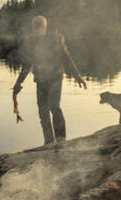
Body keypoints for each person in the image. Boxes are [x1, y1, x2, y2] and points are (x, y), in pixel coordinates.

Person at [13, 15, 87, 144]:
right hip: (40, 80)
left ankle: (61, 140)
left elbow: (66, 58)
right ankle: (49, 141)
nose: (37, 29)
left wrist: (77, 76)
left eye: (39, 26)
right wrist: (19, 82)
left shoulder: (56, 40)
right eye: (34, 27)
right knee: (43, 111)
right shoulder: (31, 43)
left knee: (54, 106)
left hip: (55, 78)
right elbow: (27, 64)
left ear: (44, 27)